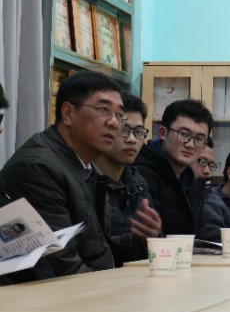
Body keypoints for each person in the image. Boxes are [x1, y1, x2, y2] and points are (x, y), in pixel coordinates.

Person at [0, 71, 121, 278]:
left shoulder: (88, 169)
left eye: (119, 115)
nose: (114, 123)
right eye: (103, 110)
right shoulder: (37, 167)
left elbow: (97, 250)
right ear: (68, 113)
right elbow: (62, 267)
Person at [94, 93, 162, 267]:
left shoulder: (137, 181)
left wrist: (153, 235)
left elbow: (155, 246)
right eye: (124, 130)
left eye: (138, 132)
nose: (132, 140)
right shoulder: (87, 180)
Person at [133, 99, 212, 237]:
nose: (190, 144)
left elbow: (199, 236)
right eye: (184, 134)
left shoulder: (191, 180)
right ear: (163, 133)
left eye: (199, 138)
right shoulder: (140, 173)